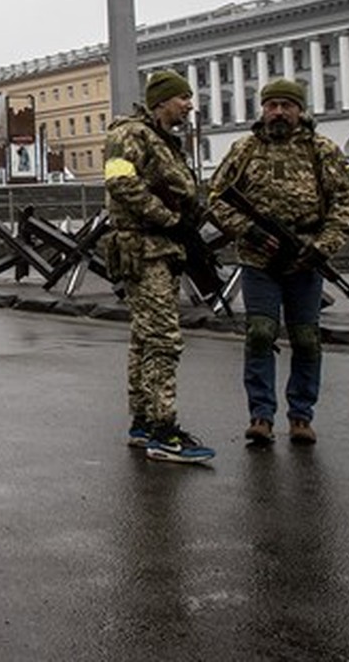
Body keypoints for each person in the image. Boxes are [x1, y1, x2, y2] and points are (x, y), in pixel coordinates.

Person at [208, 78, 349, 446]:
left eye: (286, 105)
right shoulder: (244, 149)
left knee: (306, 339)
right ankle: (260, 415)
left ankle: (301, 416)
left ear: (300, 110)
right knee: (260, 333)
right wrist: (249, 230)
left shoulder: (321, 150)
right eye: (271, 105)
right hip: (259, 259)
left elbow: (348, 199)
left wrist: (323, 245)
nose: (278, 112)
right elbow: (216, 197)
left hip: (304, 260)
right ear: (262, 109)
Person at [101, 69, 215, 464]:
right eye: (183, 98)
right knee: (164, 338)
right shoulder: (129, 133)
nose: (188, 105)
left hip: (164, 249)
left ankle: (144, 423)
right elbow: (120, 182)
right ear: (162, 100)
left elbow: (184, 194)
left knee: (145, 338)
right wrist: (169, 219)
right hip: (144, 247)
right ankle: (164, 431)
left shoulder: (166, 142)